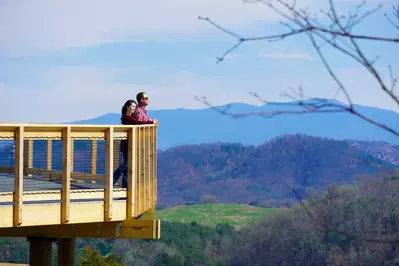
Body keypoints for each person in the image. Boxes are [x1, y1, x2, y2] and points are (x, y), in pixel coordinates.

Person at [113, 99, 154, 188]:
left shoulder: (129, 117)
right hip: (127, 144)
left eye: (135, 107)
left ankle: (125, 187)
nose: (133, 108)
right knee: (126, 164)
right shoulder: (127, 117)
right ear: (127, 106)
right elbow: (138, 123)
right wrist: (151, 122)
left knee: (128, 166)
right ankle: (112, 180)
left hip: (130, 144)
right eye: (132, 106)